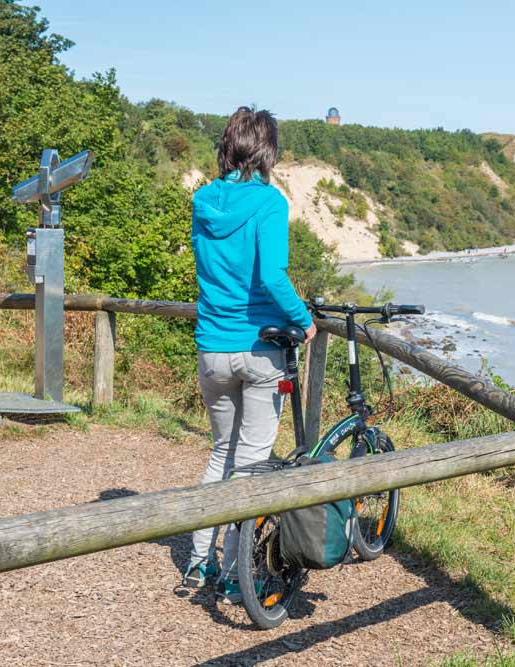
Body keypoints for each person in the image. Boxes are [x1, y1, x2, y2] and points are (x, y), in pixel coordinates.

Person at [183, 106, 316, 603]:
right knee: (252, 464)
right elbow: (273, 276)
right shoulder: (269, 203)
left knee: (221, 452)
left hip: (213, 348)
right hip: (259, 349)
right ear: (266, 151)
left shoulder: (203, 200)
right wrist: (304, 321)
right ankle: (236, 573)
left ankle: (198, 561)